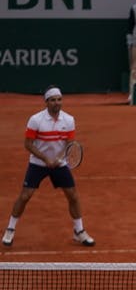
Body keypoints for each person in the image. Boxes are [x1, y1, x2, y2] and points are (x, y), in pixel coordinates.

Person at [3, 87, 94, 248]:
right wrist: (45, 159)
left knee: (72, 196)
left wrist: (58, 159)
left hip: (59, 164)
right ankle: (10, 228)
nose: (56, 103)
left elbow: (69, 144)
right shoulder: (36, 120)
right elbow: (28, 145)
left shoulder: (69, 120)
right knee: (25, 196)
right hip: (38, 164)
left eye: (59, 99)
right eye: (53, 100)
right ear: (46, 102)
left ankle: (79, 231)